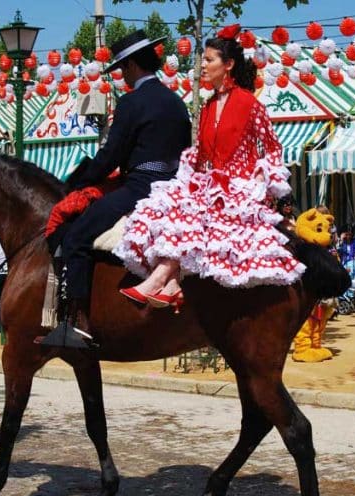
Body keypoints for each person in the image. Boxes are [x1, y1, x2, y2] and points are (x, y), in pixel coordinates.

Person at [114, 24, 302, 308]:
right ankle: (172, 281)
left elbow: (273, 147)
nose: (202, 66)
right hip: (208, 185)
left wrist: (262, 180)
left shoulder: (249, 103)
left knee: (192, 215)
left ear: (228, 65)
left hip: (240, 191)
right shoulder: (207, 107)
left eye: (209, 60)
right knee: (172, 211)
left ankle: (162, 279)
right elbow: (200, 155)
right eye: (202, 60)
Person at [42, 28, 192, 349]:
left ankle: (77, 323)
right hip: (175, 190)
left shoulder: (131, 102)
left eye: (123, 69)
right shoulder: (177, 103)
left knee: (76, 236)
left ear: (133, 66)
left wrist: (77, 181)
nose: (123, 76)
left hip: (140, 188)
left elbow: (111, 156)